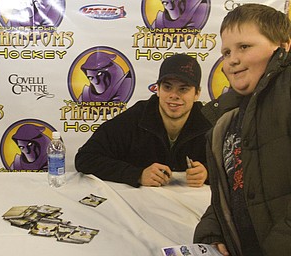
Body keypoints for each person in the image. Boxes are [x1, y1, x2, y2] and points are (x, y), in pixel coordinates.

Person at [193, 4, 291, 256]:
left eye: (244, 47)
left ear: (284, 46)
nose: (232, 59)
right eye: (226, 52)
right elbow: (232, 186)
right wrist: (213, 229)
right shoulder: (228, 117)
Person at [75, 53, 212, 188]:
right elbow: (85, 158)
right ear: (157, 89)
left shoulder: (209, 123)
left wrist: (208, 172)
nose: (174, 95)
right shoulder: (135, 118)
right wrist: (137, 175)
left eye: (183, 89)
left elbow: (230, 167)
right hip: (136, 204)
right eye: (167, 87)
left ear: (197, 94)